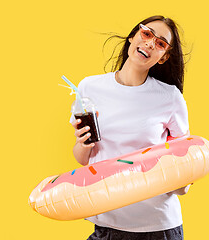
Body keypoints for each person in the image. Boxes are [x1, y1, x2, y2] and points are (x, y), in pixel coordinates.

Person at [70, 15, 191, 240]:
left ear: (163, 57)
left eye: (160, 43)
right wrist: (81, 142)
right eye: (146, 34)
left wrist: (183, 181)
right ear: (132, 36)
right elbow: (83, 158)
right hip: (107, 222)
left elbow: (184, 166)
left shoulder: (170, 97)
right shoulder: (89, 87)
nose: (150, 44)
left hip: (157, 227)